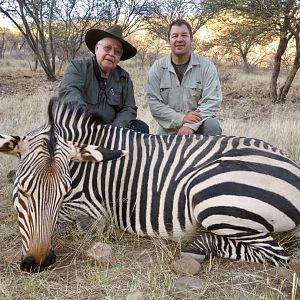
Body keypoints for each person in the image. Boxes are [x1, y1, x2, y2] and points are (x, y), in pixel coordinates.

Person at [58, 24, 149, 133]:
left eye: (117, 52)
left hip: (112, 132)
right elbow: (69, 93)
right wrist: (88, 122)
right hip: (82, 127)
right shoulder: (78, 67)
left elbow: (129, 109)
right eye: (107, 48)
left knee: (141, 127)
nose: (111, 54)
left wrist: (113, 130)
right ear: (97, 48)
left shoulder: (124, 78)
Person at [146, 19, 222, 136]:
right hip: (170, 128)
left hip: (198, 126)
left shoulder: (206, 66)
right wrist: (181, 119)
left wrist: (190, 125)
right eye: (175, 36)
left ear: (191, 39)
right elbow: (155, 104)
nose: (179, 39)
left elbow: (212, 100)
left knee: (212, 125)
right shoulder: (157, 68)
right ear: (169, 40)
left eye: (184, 35)